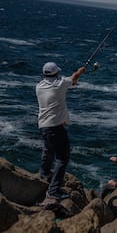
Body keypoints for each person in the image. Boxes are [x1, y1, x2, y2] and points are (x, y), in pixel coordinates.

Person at [36, 61, 86, 200]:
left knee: (48, 149)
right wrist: (81, 71)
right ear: (56, 72)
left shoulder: (39, 86)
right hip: (55, 127)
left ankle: (44, 172)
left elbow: (69, 83)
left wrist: (74, 80)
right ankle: (53, 190)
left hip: (43, 126)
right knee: (62, 158)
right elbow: (74, 77)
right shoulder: (60, 83)